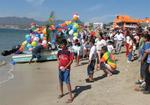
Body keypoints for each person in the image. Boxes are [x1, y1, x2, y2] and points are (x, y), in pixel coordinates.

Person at [57, 39, 74, 103]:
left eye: (62, 44)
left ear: (65, 44)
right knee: (60, 81)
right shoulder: (60, 51)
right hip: (60, 68)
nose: (61, 46)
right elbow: (57, 57)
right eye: (60, 45)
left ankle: (71, 97)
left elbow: (71, 60)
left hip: (66, 69)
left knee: (67, 82)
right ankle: (62, 93)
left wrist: (66, 67)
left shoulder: (69, 51)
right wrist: (59, 63)